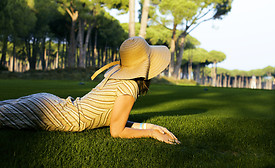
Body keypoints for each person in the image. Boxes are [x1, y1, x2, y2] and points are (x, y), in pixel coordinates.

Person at [0, 37, 180, 145]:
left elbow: (115, 120)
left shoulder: (119, 78)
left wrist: (149, 126)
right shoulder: (129, 87)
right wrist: (151, 133)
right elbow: (117, 131)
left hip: (52, 105)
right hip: (57, 115)